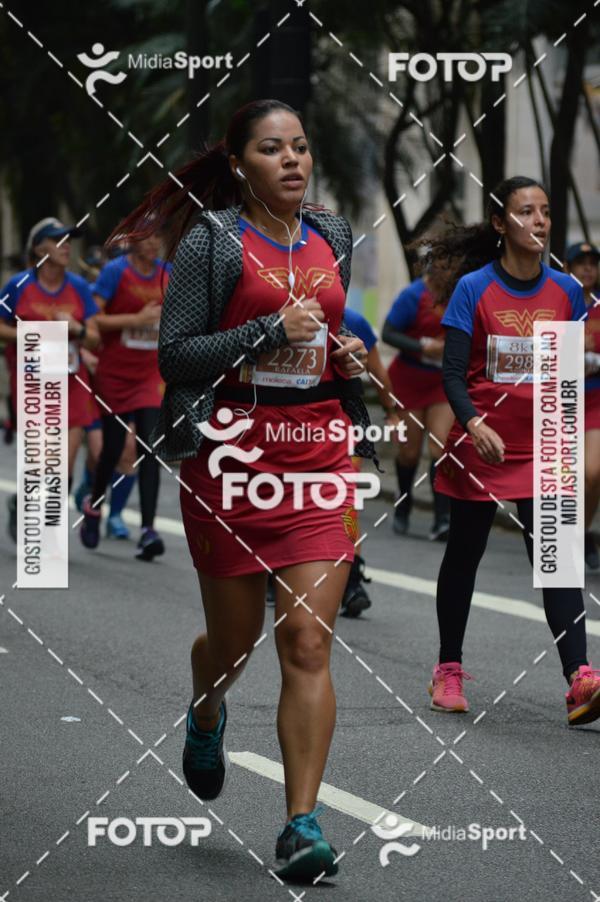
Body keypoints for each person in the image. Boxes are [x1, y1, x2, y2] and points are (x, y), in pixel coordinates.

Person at [106, 98, 375, 880]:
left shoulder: (331, 236)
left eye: (300, 146)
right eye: (271, 148)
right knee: (235, 645)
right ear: (238, 163)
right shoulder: (213, 244)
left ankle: (302, 825)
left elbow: (320, 332)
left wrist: (342, 357)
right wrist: (264, 333)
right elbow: (176, 356)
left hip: (317, 452)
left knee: (307, 640)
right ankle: (208, 706)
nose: (292, 160)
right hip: (229, 459)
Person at [420, 176, 600, 726]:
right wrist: (473, 424)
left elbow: (565, 377)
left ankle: (581, 678)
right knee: (464, 555)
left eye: (545, 212)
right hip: (483, 446)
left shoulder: (566, 293)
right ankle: (448, 668)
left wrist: (564, 443)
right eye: (526, 211)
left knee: (556, 561)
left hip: (543, 443)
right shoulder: (475, 290)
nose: (539, 222)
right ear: (501, 224)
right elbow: (453, 375)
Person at [0, 218, 101, 541]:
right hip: (31, 384)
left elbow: (95, 338)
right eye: (58, 240)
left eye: (69, 240)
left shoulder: (79, 287)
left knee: (66, 459)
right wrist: (30, 334)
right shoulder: (18, 286)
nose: (67, 245)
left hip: (70, 382)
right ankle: (23, 502)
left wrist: (76, 329)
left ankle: (48, 525)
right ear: (39, 248)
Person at [79, 232, 169, 560]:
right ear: (132, 242)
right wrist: (137, 319)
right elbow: (94, 319)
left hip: (149, 375)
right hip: (115, 373)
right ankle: (94, 506)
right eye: (144, 237)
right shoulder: (116, 271)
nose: (152, 243)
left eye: (155, 237)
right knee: (114, 448)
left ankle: (148, 530)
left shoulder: (167, 272)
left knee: (149, 448)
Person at [338, 306, 401, 617]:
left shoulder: (355, 320)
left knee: (345, 501)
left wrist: (391, 412)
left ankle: (351, 580)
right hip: (288, 427)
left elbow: (378, 371)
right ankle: (272, 573)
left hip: (342, 425)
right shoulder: (276, 312)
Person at [382, 274, 454, 540]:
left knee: (441, 445)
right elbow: (388, 333)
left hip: (441, 382)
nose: (448, 265)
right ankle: (403, 504)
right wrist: (423, 346)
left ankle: (442, 518)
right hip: (408, 379)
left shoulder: (461, 292)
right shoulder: (414, 295)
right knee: (410, 453)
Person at [565, 242, 600, 571]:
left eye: (592, 263)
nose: (587, 269)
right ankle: (560, 536)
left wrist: (591, 357)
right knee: (564, 474)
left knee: (592, 472)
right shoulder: (558, 301)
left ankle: (583, 531)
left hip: (594, 396)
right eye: (580, 262)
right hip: (560, 396)